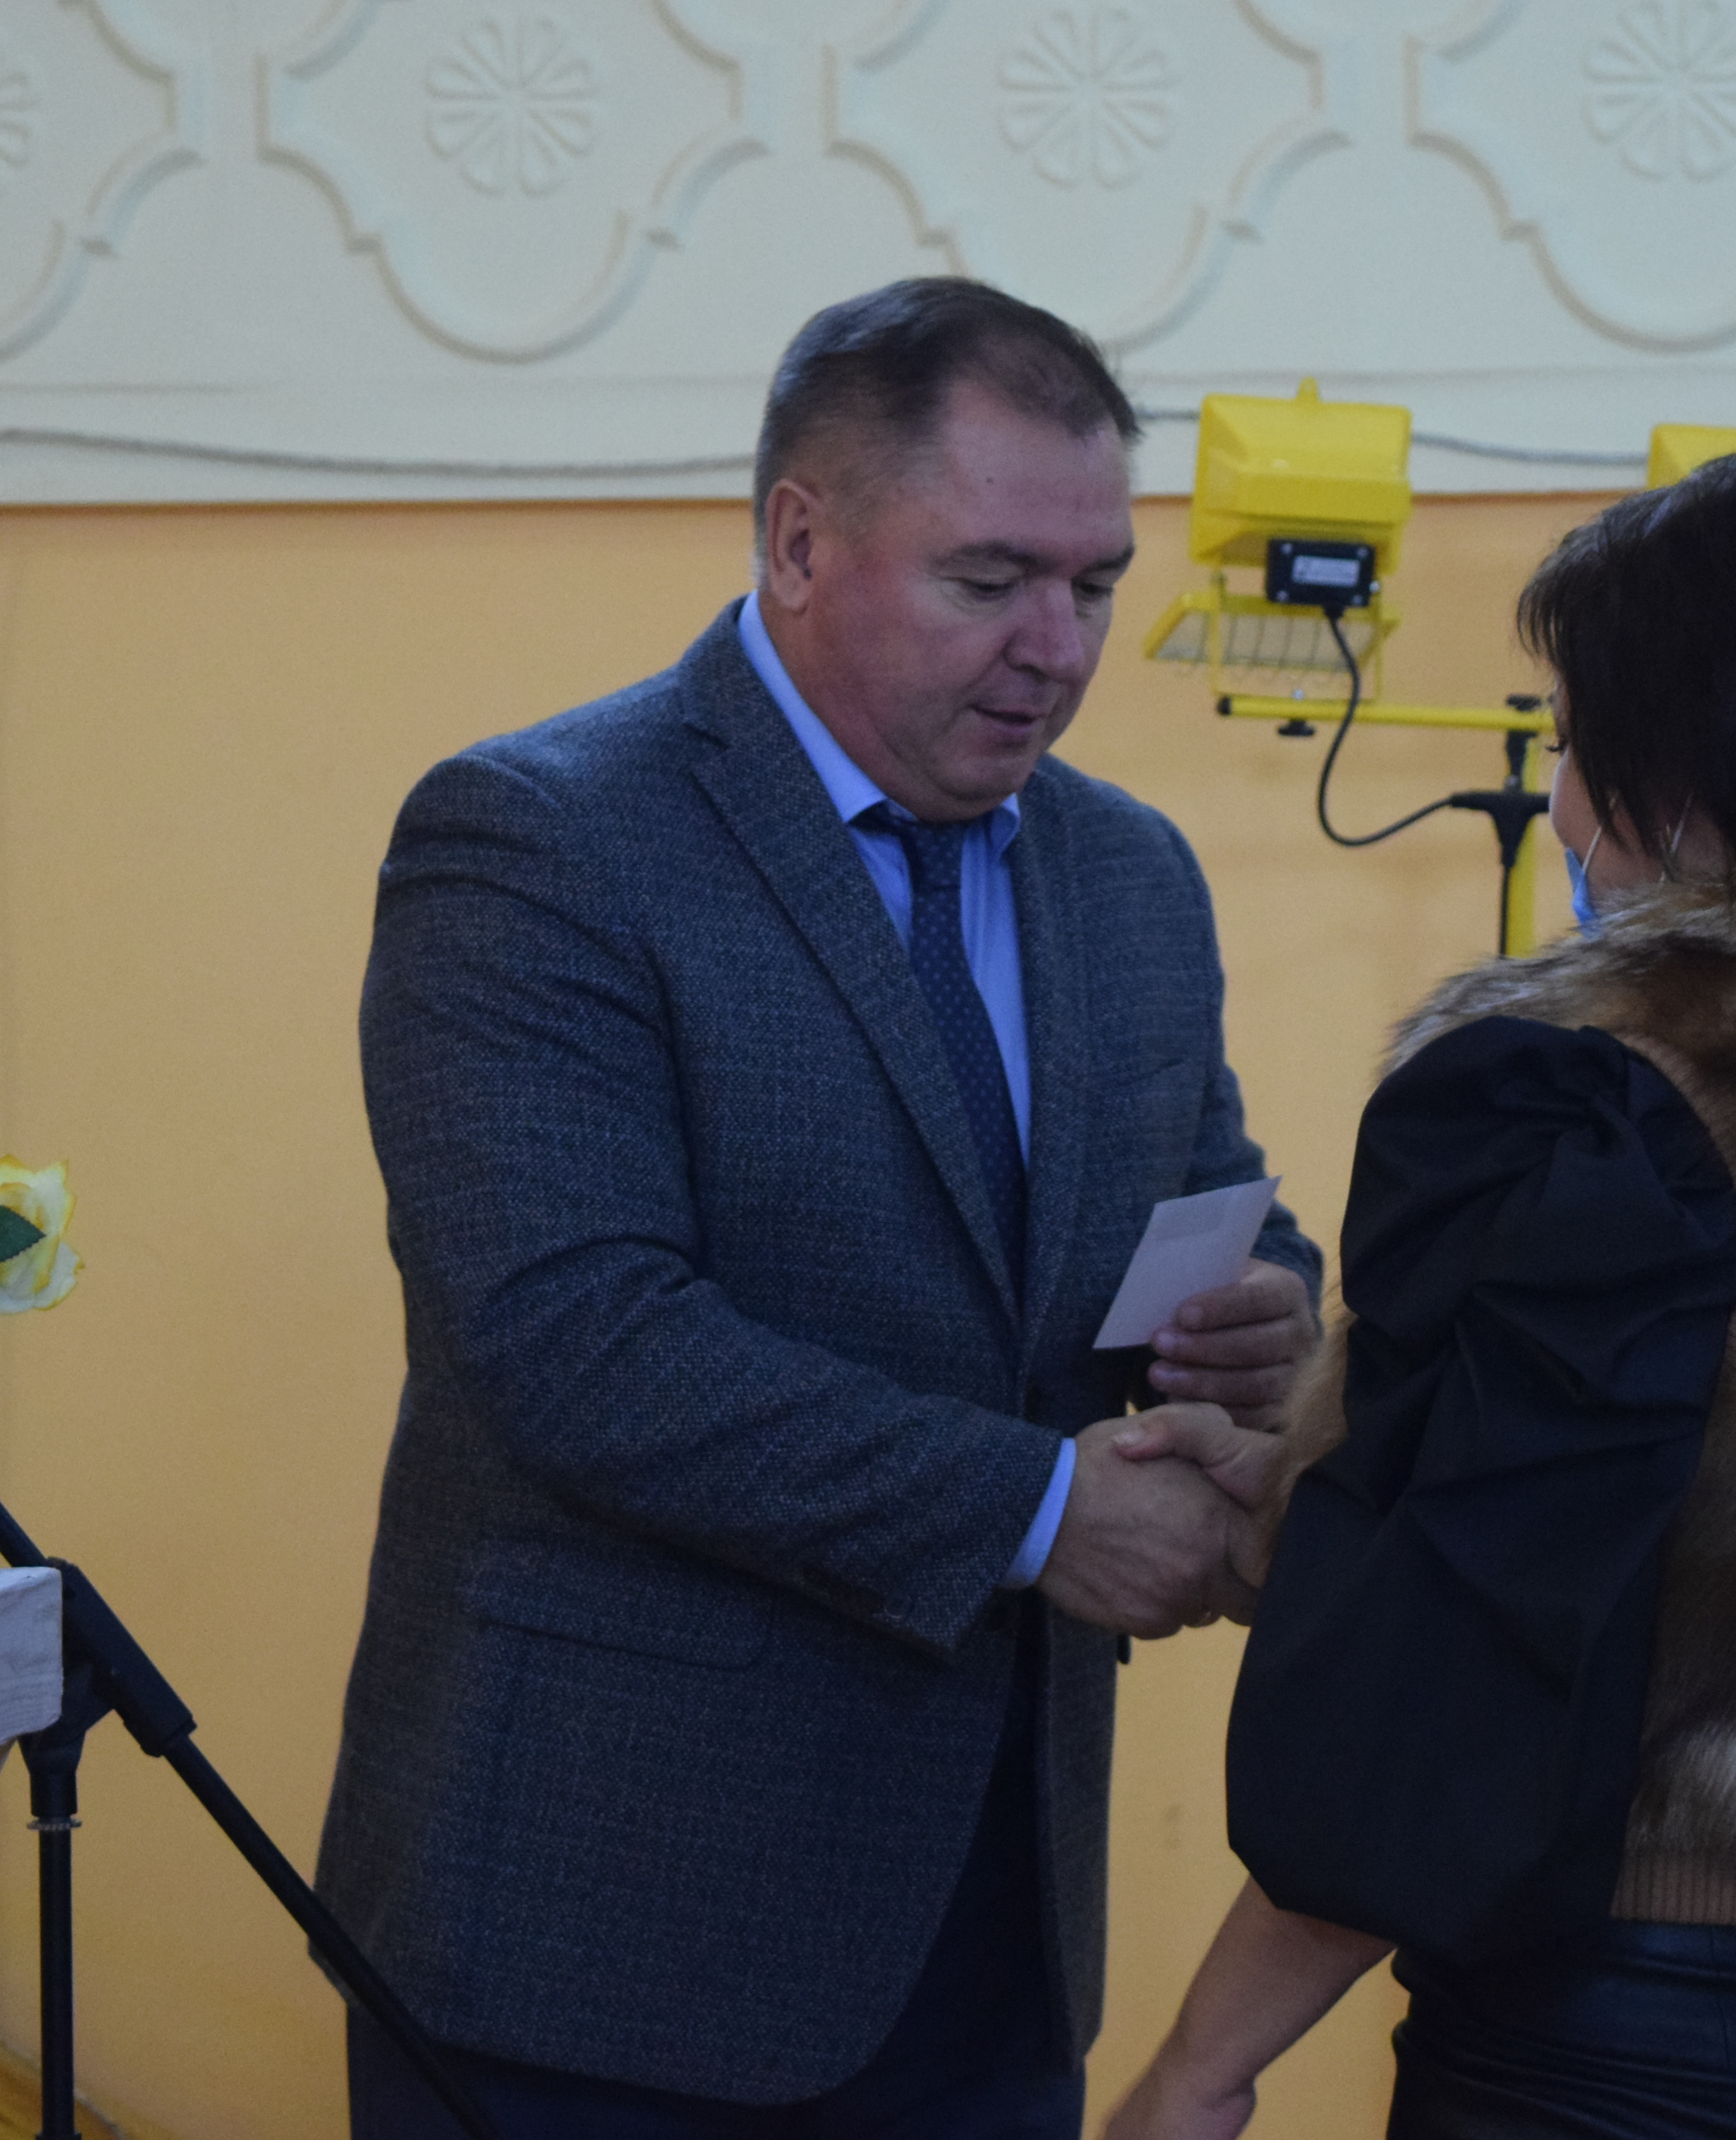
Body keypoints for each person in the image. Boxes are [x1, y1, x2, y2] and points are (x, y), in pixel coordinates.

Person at [314, 277, 1322, 2140]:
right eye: (988, 578)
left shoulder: (1129, 874)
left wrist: (1263, 1316)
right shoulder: (541, 839)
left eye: (1095, 585)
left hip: (993, 1932)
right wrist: (1039, 1512)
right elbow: (575, 1342)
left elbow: (1212, 1201)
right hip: (602, 1944)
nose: (1055, 648)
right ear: (797, 541)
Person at [1104, 443, 1736, 2138]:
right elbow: (1725, 1523)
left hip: (1647, 2042)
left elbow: (1464, 1668)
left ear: (1686, 762)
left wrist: (1200, 2068)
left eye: (1577, 739)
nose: (1567, 802)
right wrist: (1314, 1501)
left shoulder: (1599, 1098)